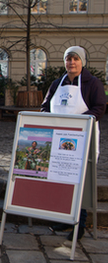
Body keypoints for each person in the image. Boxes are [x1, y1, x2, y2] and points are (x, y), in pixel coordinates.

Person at [41, 45, 106, 241]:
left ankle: (80, 224)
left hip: (82, 139)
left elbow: (100, 107)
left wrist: (78, 122)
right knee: (62, 181)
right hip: (58, 139)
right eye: (68, 59)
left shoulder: (92, 83)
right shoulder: (56, 83)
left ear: (82, 61)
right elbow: (45, 106)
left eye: (75, 59)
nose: (71, 63)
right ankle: (65, 219)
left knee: (81, 183)